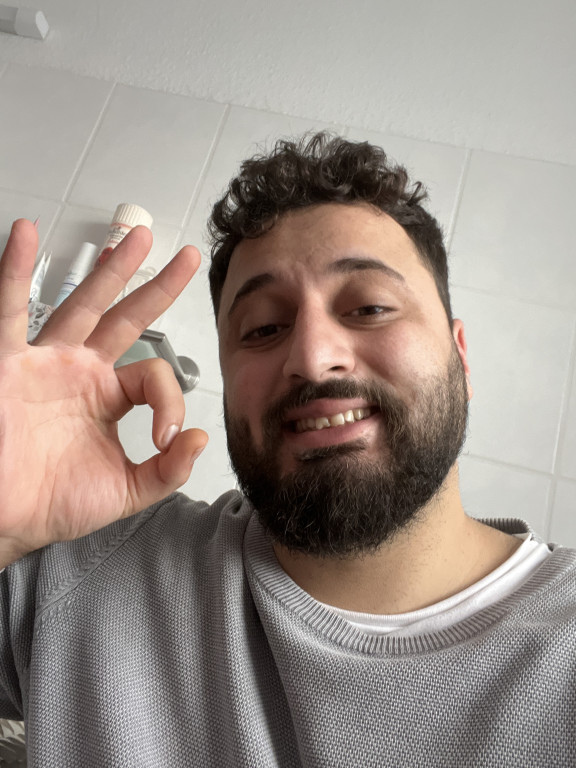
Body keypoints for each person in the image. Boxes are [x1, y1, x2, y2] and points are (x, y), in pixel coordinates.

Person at [0, 133, 574, 767]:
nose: (312, 357)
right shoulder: (87, 570)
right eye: (264, 328)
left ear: (460, 358)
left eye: (369, 307)